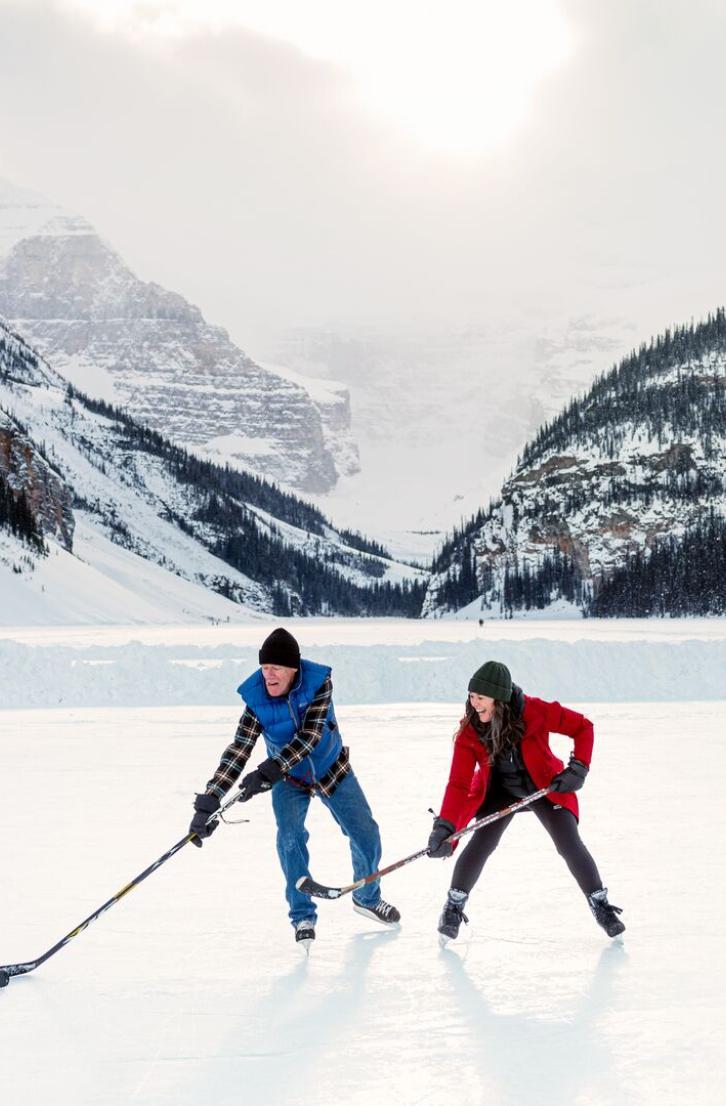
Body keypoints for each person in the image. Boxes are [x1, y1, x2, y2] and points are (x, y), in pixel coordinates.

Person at [189, 627, 400, 946]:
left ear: (293, 669)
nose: (268, 675)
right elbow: (239, 749)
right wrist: (211, 797)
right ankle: (302, 915)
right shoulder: (256, 700)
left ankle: (367, 899)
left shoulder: (318, 684)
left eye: (275, 668)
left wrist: (269, 768)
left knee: (365, 834)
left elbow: (311, 736)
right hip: (288, 778)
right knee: (290, 838)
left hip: (331, 767)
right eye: (264, 668)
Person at [427, 660, 625, 942]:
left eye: (480, 698)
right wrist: (445, 827)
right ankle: (453, 907)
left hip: (544, 786)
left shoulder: (535, 711)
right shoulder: (470, 730)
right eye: (471, 696)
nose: (474, 705)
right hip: (499, 790)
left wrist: (578, 768)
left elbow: (583, 727)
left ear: (499, 697)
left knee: (568, 842)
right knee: (482, 842)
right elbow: (458, 783)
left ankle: (601, 906)